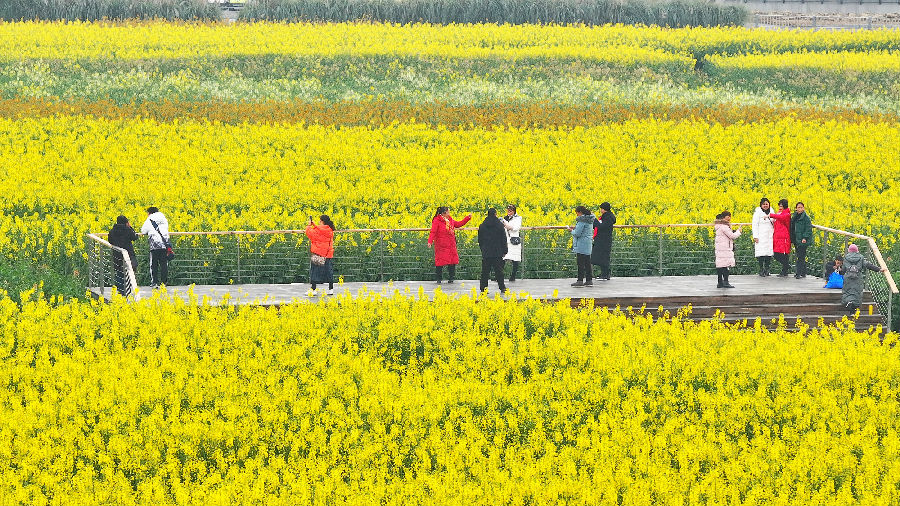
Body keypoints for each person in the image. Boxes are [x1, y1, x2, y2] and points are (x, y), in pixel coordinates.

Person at [428, 206, 472, 284]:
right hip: (441, 245)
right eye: (448, 212)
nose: (449, 213)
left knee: (452, 262)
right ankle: (439, 279)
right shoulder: (437, 220)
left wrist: (467, 218)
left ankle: (451, 278)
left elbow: (458, 224)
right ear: (444, 213)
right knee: (440, 262)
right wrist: (430, 241)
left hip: (451, 244)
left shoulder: (450, 220)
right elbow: (433, 232)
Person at [840, 244, 885, 311]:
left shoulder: (846, 258)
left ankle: (848, 303)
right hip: (858, 278)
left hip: (848, 278)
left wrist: (840, 272)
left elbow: (843, 270)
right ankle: (854, 308)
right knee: (857, 292)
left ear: (849, 250)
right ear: (857, 250)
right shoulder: (861, 257)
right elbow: (868, 265)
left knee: (847, 291)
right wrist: (878, 269)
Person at [477, 208, 508, 292]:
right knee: (499, 271)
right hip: (497, 252)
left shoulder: (482, 225)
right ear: (495, 214)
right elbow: (503, 239)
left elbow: (480, 240)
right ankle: (502, 288)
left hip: (486, 252)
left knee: (485, 272)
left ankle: (483, 288)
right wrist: (505, 250)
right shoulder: (499, 225)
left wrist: (482, 249)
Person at [305, 215, 335, 296]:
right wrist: (314, 225)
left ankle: (313, 289)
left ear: (322, 221)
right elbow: (321, 229)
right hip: (328, 254)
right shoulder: (330, 230)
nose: (318, 222)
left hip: (318, 253)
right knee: (328, 272)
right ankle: (331, 289)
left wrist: (309, 225)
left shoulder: (317, 231)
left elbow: (309, 233)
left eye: (319, 221)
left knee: (314, 271)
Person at [140, 206, 170, 288]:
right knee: (164, 264)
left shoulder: (150, 219)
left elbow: (143, 230)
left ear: (149, 213)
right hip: (164, 244)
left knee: (154, 264)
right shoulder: (164, 219)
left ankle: (155, 282)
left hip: (155, 244)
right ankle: (164, 282)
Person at [108, 215, 138, 295]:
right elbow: (135, 237)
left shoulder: (112, 231)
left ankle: (121, 291)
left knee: (119, 272)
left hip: (117, 254)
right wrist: (130, 227)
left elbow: (110, 240)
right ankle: (128, 291)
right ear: (126, 222)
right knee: (129, 271)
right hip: (128, 255)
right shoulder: (128, 230)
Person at [714, 211, 742, 288]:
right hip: (725, 248)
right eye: (727, 216)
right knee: (726, 265)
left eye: (730, 216)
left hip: (720, 248)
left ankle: (720, 282)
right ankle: (726, 282)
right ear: (723, 217)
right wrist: (738, 232)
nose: (729, 218)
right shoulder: (724, 226)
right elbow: (732, 236)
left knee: (720, 265)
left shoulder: (719, 225)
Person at [568, 206, 595, 287]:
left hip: (581, 244)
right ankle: (589, 280)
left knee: (580, 263)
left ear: (580, 212)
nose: (576, 215)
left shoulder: (582, 221)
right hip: (588, 242)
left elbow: (577, 233)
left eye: (577, 213)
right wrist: (576, 227)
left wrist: (571, 230)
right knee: (587, 262)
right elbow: (584, 230)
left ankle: (580, 280)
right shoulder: (589, 219)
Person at [591, 202, 616, 281]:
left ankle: (605, 275)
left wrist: (594, 219)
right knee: (601, 257)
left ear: (604, 209)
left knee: (604, 257)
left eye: (601, 209)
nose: (600, 210)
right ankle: (603, 274)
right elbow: (598, 225)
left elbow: (601, 226)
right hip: (602, 240)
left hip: (604, 240)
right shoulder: (606, 216)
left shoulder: (608, 218)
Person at [751, 198, 774, 277]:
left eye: (766, 204)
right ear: (761, 205)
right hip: (760, 236)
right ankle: (761, 269)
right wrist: (755, 236)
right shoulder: (757, 212)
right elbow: (754, 224)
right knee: (761, 254)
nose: (765, 205)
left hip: (769, 236)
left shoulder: (772, 211)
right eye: (763, 204)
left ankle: (767, 270)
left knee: (768, 254)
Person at [769, 199, 792, 277]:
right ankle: (786, 266)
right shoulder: (779, 213)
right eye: (779, 206)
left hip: (784, 237)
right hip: (777, 236)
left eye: (781, 206)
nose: (779, 207)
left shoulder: (787, 214)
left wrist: (770, 215)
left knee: (783, 254)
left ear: (785, 206)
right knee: (777, 254)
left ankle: (785, 269)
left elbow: (781, 217)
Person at [790, 202, 813, 279]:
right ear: (796, 208)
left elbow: (808, 229)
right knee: (800, 255)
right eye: (798, 207)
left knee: (800, 256)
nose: (799, 209)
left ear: (803, 208)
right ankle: (803, 272)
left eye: (801, 207)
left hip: (802, 240)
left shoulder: (806, 218)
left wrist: (805, 238)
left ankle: (798, 273)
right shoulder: (795, 216)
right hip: (796, 239)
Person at [501, 205, 522, 283]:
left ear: (514, 211)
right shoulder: (505, 218)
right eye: (508, 211)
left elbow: (515, 228)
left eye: (510, 211)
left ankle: (513, 276)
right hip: (506, 241)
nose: (509, 212)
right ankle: (499, 276)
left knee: (515, 259)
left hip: (514, 241)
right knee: (503, 258)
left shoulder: (518, 218)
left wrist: (505, 224)